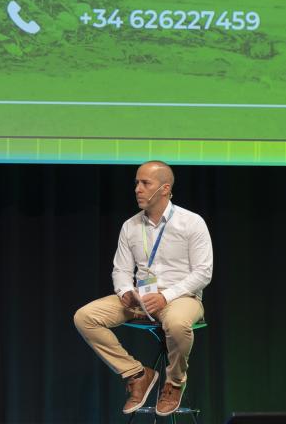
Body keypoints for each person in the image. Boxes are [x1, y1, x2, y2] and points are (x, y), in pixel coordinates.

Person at [74, 160, 213, 417]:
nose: (137, 188)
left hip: (181, 296)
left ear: (164, 188)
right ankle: (137, 374)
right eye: (136, 182)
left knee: (177, 324)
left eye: (145, 183)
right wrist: (125, 291)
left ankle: (174, 382)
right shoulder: (130, 226)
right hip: (141, 298)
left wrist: (166, 296)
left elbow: (203, 272)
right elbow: (121, 269)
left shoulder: (191, 223)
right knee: (85, 317)